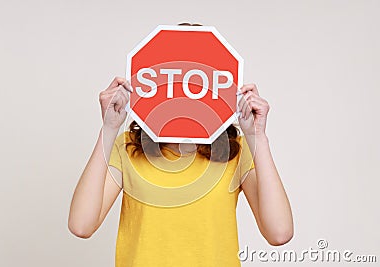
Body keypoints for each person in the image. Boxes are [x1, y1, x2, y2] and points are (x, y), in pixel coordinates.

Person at [68, 73, 294, 266]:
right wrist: (108, 129)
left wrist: (258, 138)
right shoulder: (127, 147)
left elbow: (279, 232)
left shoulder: (237, 151)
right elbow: (81, 225)